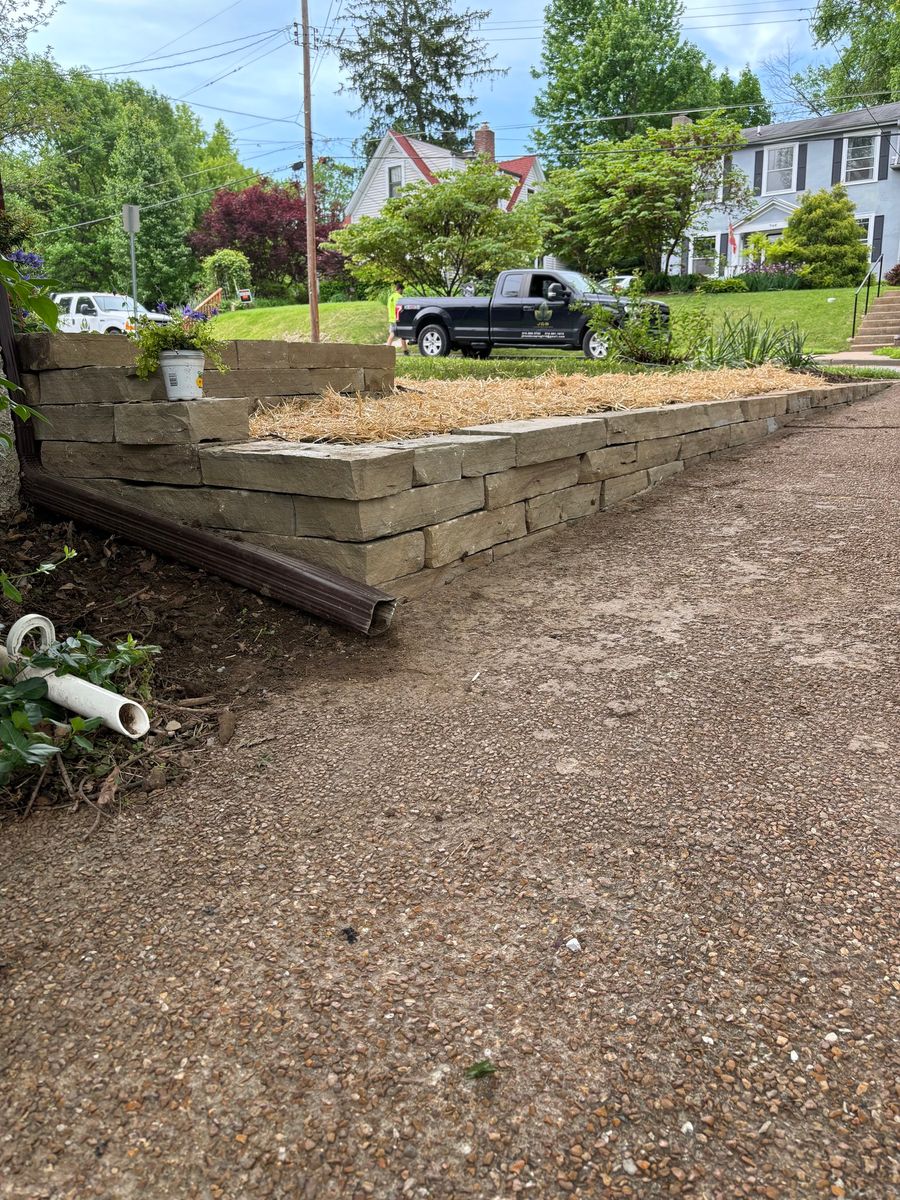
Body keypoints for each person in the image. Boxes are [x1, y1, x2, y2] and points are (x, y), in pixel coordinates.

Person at [386, 282, 409, 355]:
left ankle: (388, 350)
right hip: (398, 319)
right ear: (400, 289)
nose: (402, 292)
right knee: (399, 334)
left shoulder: (391, 297)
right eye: (402, 290)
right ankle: (404, 351)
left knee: (395, 334)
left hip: (391, 318)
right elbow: (400, 308)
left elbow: (388, 307)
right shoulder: (399, 297)